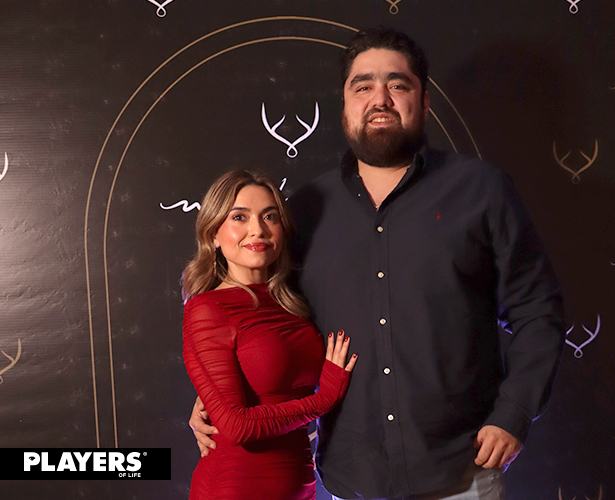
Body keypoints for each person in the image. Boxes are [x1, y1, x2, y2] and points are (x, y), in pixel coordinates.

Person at [191, 28, 565, 500]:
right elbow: (266, 320)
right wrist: (217, 391)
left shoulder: (482, 190)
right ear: (345, 105)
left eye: (398, 84)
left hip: (461, 471)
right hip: (353, 478)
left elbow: (537, 311)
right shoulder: (305, 210)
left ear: (424, 102)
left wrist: (514, 413)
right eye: (363, 86)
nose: (380, 99)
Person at [181, 169, 357, 500]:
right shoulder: (207, 309)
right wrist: (323, 399)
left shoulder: (293, 302)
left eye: (269, 216)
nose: (257, 230)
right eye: (239, 217)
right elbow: (237, 426)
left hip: (300, 485)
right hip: (236, 489)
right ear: (214, 233)